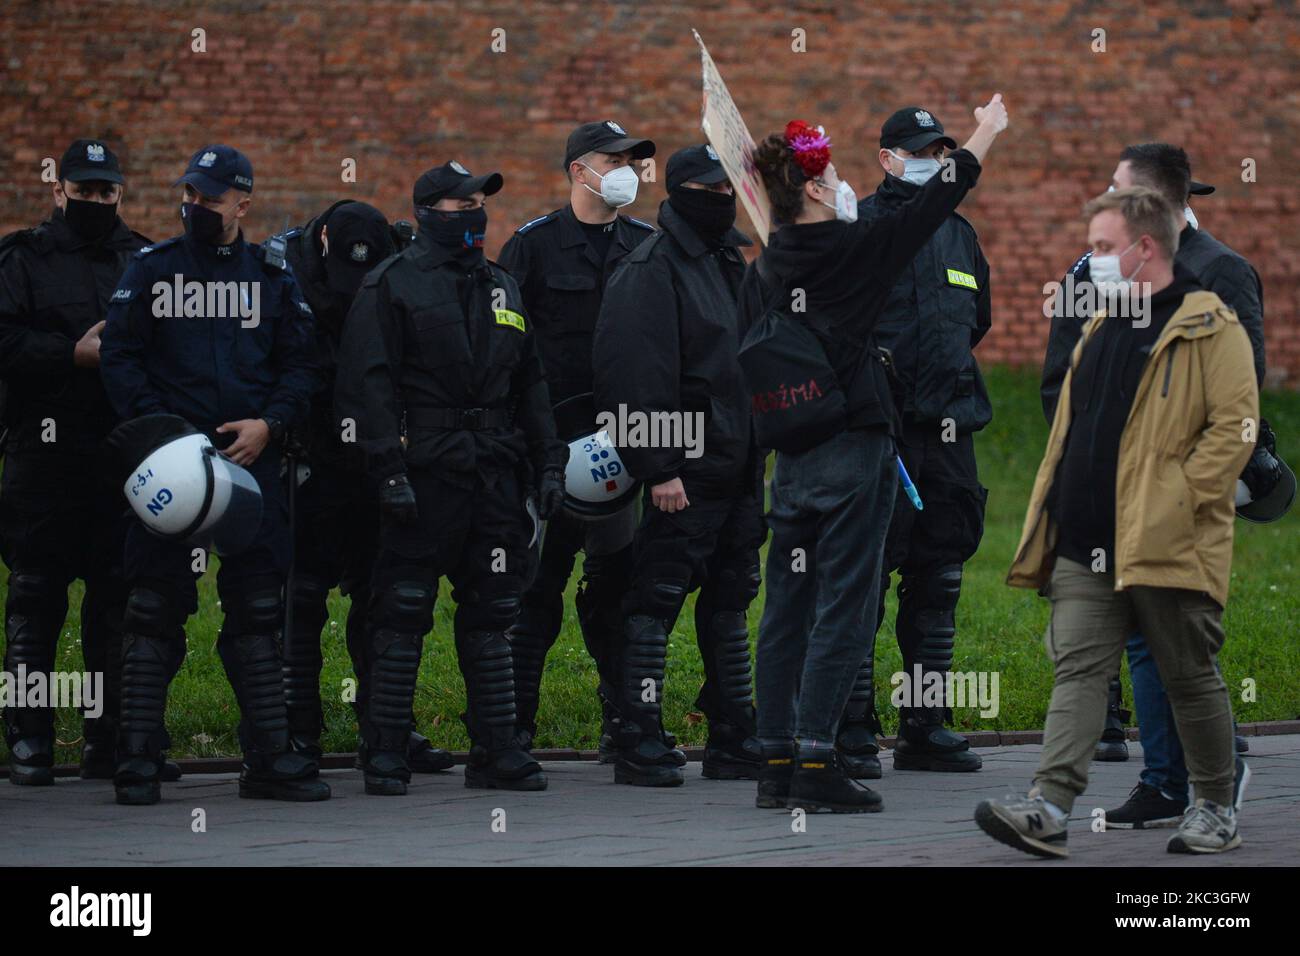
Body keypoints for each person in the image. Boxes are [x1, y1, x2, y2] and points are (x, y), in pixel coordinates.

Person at [740, 95, 1009, 813]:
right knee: (847, 607)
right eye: (831, 179)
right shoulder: (854, 252)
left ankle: (774, 761)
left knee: (785, 611)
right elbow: (940, 199)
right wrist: (987, 130)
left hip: (792, 455)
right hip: (856, 452)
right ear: (821, 190)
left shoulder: (767, 265)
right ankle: (822, 762)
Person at [977, 186, 1257, 857]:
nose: (1092, 261)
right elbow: (1075, 420)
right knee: (1078, 670)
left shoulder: (1209, 325)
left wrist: (1179, 499)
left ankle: (1214, 804)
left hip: (1166, 540)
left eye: (1103, 248)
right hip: (1085, 539)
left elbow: (1236, 428)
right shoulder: (1104, 322)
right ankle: (1048, 806)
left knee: (1188, 675)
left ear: (1146, 247)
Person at [100, 144, 329, 805]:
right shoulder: (152, 270)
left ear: (242, 203)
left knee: (259, 612)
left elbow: (302, 365)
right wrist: (164, 435)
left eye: (208, 197)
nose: (194, 206)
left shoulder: (271, 277)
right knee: (150, 609)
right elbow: (120, 357)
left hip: (250, 466)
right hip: (173, 466)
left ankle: (269, 760)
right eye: (189, 195)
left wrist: (271, 425)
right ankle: (137, 760)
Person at [335, 161, 567, 795]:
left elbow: (532, 383)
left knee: (494, 611)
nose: (474, 215)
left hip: (493, 470)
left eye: (479, 204)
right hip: (423, 469)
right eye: (460, 205)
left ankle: (496, 749)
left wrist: (550, 464)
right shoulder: (393, 284)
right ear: (427, 212)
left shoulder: (501, 286)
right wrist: (385, 471)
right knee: (403, 611)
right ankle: (384, 750)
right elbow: (366, 386)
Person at [1043, 144, 1260, 823]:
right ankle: (1159, 785)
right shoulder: (1096, 272)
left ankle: (1205, 784)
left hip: (1176, 504)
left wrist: (1184, 489)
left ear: (1160, 204)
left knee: (1179, 648)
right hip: (1102, 499)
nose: (1105, 202)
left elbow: (1235, 408)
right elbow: (1064, 378)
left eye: (1119, 191)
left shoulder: (1220, 272)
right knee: (1115, 646)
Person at [592, 144, 766, 787]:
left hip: (737, 465)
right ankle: (638, 735)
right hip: (683, 472)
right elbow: (633, 376)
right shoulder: (652, 269)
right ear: (689, 192)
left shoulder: (729, 261)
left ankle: (732, 737)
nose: (727, 200)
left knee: (730, 599)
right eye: (717, 191)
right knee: (655, 599)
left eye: (732, 191)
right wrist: (659, 467)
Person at [835, 107, 993, 778]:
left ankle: (925, 727)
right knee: (865, 575)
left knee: (939, 578)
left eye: (943, 149)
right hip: (885, 431)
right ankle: (851, 726)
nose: (933, 158)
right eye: (920, 150)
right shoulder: (864, 228)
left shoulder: (960, 236)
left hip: (949, 431)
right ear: (889, 159)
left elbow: (974, 322)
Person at [497, 120, 659, 758]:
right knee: (535, 591)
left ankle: (624, 723)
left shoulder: (649, 245)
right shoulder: (533, 247)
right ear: (577, 171)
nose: (625, 169)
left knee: (616, 590)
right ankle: (514, 726)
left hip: (626, 451)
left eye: (631, 159)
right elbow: (506, 346)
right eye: (611, 159)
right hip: (550, 450)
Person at [0, 139, 159, 784]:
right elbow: (4, 339)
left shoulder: (145, 259)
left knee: (115, 601)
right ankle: (30, 738)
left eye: (105, 192)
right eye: (83, 190)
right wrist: (71, 354)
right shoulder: (24, 257)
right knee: (36, 597)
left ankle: (109, 736)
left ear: (121, 193)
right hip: (44, 451)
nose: (94, 201)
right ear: (59, 190)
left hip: (119, 454)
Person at [275, 201, 453, 772]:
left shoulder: (402, 265)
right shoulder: (279, 269)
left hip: (376, 455)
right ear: (323, 240)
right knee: (299, 598)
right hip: (306, 452)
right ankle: (296, 730)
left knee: (385, 600)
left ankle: (386, 730)